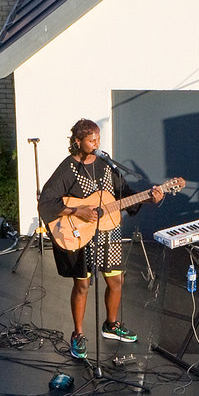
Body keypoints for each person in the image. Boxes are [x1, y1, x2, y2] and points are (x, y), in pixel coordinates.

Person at [38, 118, 162, 357]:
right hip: (81, 235)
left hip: (110, 230)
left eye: (98, 138)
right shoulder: (67, 168)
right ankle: (78, 333)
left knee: (117, 281)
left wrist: (149, 197)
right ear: (78, 141)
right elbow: (47, 202)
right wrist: (76, 211)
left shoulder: (106, 165)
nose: (96, 143)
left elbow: (125, 194)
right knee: (82, 285)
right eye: (91, 139)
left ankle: (111, 325)